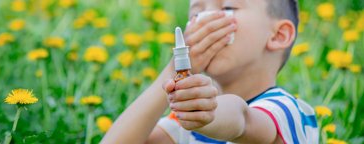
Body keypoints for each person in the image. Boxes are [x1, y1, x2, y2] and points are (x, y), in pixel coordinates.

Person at [101, 0, 318, 143]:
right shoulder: (187, 122)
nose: (203, 21)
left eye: (228, 8)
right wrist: (173, 70)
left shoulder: (287, 111)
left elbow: (242, 119)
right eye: (196, 13)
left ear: (278, 35)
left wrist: (207, 113)